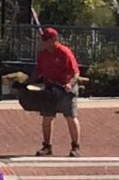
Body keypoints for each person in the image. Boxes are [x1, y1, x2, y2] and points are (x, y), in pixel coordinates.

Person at [32, 25, 82, 157]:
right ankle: (47, 146)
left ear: (54, 39)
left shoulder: (65, 52)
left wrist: (70, 84)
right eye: (44, 40)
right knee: (47, 117)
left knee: (71, 116)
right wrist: (28, 82)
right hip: (50, 89)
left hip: (66, 88)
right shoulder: (43, 54)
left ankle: (75, 147)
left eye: (47, 40)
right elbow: (38, 71)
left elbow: (76, 73)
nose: (45, 43)